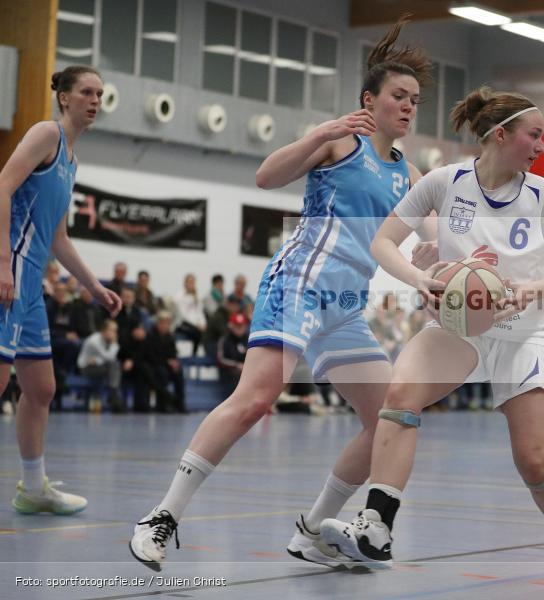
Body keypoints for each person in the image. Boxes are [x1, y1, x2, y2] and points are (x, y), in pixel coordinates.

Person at [129, 17, 436, 570]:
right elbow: (267, 178)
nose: (409, 106)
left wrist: (445, 262)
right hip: (299, 282)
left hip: (345, 308)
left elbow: (432, 239)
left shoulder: (411, 176)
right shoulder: (341, 141)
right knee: (254, 402)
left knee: (389, 417)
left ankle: (314, 529)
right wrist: (318, 133)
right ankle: (161, 516)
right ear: (370, 99)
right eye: (399, 95)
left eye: (415, 99)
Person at [320, 87, 544, 587]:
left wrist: (529, 287)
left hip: (523, 331)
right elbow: (384, 241)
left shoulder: (541, 194)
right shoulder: (445, 183)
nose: (541, 145)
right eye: (534, 135)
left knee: (534, 461)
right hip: (459, 326)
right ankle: (377, 524)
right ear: (501, 134)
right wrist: (418, 279)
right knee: (399, 396)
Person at [0, 65, 121, 514]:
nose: (95, 100)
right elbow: (2, 188)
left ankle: (33, 488)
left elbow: (57, 238)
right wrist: (2, 264)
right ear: (64, 97)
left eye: (100, 94)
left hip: (32, 285)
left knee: (42, 388)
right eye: (87, 92)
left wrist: (94, 286)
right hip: (9, 271)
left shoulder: (71, 158)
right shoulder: (44, 134)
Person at [76, 319, 124, 412]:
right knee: (114, 365)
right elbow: (108, 357)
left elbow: (109, 358)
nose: (114, 333)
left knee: (115, 365)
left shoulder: (108, 340)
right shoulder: (94, 340)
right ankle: (113, 394)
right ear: (104, 330)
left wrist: (97, 360)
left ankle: (113, 395)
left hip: (101, 367)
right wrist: (115, 343)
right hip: (85, 368)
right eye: (112, 330)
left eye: (115, 331)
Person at [216, 311, 249, 397]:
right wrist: (236, 365)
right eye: (237, 326)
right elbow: (221, 359)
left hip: (246, 369)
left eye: (242, 326)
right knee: (236, 376)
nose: (240, 329)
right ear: (231, 326)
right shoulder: (225, 340)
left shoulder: (249, 339)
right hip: (229, 371)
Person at [174, 273, 206, 356]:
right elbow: (183, 315)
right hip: (182, 324)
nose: (191, 284)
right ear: (184, 283)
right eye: (189, 282)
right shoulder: (179, 297)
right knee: (197, 333)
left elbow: (200, 312)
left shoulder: (197, 297)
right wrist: (197, 325)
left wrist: (203, 324)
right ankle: (193, 355)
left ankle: (201, 355)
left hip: (196, 325)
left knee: (207, 332)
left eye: (193, 282)